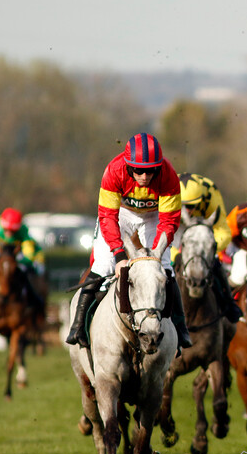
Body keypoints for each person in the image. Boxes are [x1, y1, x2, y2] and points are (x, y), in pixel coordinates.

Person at [65, 132, 192, 349]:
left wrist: (156, 254)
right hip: (120, 215)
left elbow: (169, 220)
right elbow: (107, 216)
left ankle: (180, 329)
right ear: (128, 165)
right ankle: (78, 326)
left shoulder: (169, 175)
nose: (145, 176)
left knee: (164, 268)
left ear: (158, 166)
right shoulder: (114, 171)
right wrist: (119, 254)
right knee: (103, 265)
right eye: (139, 170)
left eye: (150, 170)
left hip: (153, 217)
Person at [172, 173, 242, 323]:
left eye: (190, 206)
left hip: (203, 231)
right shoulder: (166, 191)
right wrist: (175, 256)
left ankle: (228, 302)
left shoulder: (211, 194)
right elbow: (160, 233)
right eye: (182, 206)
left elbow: (223, 231)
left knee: (214, 263)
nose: (186, 210)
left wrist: (206, 250)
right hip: (174, 228)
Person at [0, 207, 46, 312]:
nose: (9, 233)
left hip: (16, 257)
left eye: (12, 231)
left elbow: (29, 252)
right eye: (6, 230)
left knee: (24, 273)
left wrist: (22, 261)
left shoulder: (23, 231)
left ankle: (32, 298)